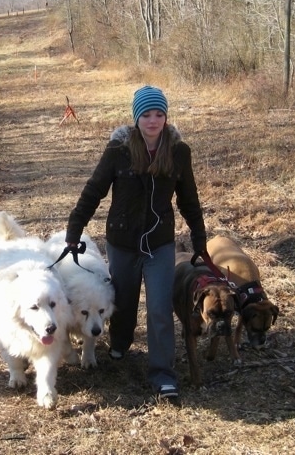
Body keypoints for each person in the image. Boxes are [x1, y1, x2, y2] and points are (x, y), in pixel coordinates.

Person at [65, 85, 207, 399]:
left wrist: (199, 238)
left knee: (158, 308)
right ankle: (119, 344)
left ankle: (163, 373)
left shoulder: (179, 151)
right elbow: (94, 190)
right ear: (136, 117)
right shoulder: (119, 150)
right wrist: (74, 229)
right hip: (122, 241)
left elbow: (189, 201)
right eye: (146, 114)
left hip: (159, 243)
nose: (153, 120)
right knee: (124, 303)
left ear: (166, 117)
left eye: (159, 114)